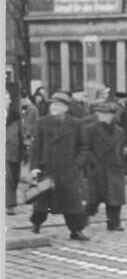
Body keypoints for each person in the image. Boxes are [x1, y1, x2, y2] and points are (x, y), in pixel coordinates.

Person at [28, 91, 90, 240]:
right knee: (42, 204)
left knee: (72, 204)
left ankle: (76, 230)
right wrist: (35, 167)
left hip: (68, 171)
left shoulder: (76, 124)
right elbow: (36, 147)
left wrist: (77, 164)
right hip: (47, 170)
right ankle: (36, 224)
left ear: (66, 108)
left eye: (58, 104)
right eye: (52, 104)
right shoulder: (42, 123)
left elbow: (83, 147)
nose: (54, 107)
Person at [80, 101, 127, 231]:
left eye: (104, 113)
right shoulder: (89, 129)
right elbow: (85, 149)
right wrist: (91, 161)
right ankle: (82, 221)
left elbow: (121, 149)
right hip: (97, 168)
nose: (100, 115)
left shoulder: (119, 131)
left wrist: (120, 162)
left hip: (114, 168)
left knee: (115, 198)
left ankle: (114, 223)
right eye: (99, 113)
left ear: (111, 115)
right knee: (93, 199)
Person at [6, 90, 25, 216]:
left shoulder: (15, 115)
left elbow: (21, 133)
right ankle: (10, 205)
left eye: (7, 98)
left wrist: (24, 150)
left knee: (15, 177)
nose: (6, 101)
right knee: (7, 178)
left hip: (15, 151)